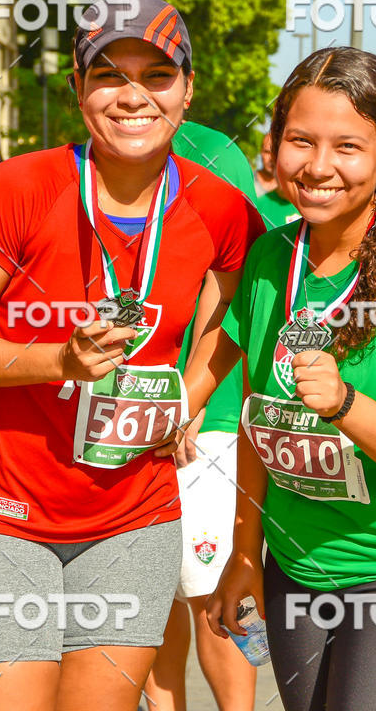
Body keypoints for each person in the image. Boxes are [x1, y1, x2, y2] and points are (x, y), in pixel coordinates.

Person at [0, 0, 263, 711]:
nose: (132, 96)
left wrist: (184, 401)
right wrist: (58, 363)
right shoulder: (15, 188)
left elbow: (238, 309)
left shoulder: (222, 208)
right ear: (78, 90)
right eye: (108, 75)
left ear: (187, 88)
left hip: (131, 520)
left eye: (157, 75)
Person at [184, 47, 376, 711]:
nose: (318, 166)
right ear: (275, 147)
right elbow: (257, 422)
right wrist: (243, 553)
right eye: (300, 140)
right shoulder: (269, 258)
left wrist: (346, 403)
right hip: (295, 566)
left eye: (347, 146)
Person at [145, 121, 258, 711]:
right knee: (148, 596)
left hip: (203, 417)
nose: (132, 93)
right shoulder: (90, 157)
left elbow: (234, 273)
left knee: (214, 594)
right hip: (128, 416)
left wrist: (194, 401)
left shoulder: (211, 150)